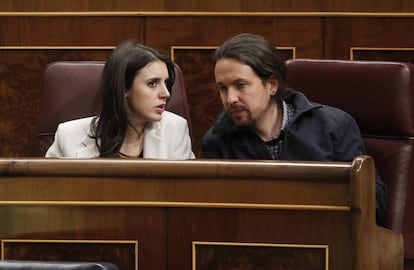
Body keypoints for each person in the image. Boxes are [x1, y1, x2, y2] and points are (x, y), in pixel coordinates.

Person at [201, 33, 387, 223]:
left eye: (241, 85)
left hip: (326, 239)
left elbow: (374, 204)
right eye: (223, 88)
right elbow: (217, 217)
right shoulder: (217, 140)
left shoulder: (333, 126)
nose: (230, 98)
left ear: (272, 85)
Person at [46, 40, 194, 159]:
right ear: (124, 88)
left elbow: (186, 192)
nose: (166, 93)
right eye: (152, 83)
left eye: (166, 83)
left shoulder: (175, 130)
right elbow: (50, 192)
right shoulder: (69, 137)